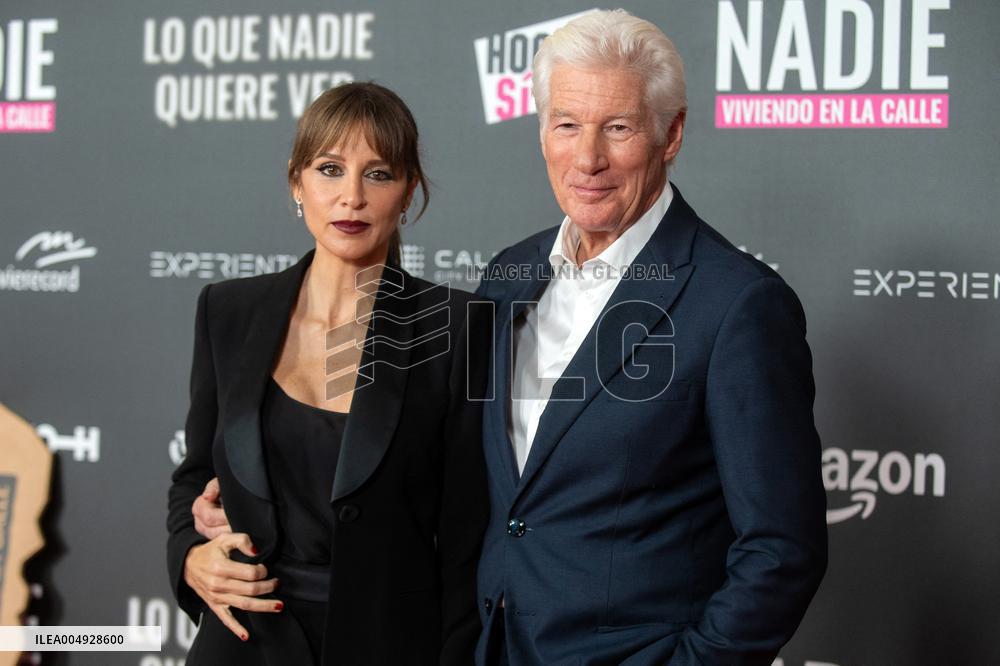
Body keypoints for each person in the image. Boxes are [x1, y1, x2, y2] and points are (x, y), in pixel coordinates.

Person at [472, 10, 827, 665]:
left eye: (618, 127)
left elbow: (781, 547)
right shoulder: (507, 275)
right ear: (542, 130)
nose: (588, 158)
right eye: (567, 124)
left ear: (672, 134)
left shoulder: (738, 304)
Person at [166, 82, 488, 666]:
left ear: (409, 191)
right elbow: (194, 479)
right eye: (330, 169)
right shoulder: (228, 312)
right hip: (243, 642)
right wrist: (189, 556)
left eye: (378, 174)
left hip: (389, 645)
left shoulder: (457, 327)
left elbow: (468, 535)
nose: (352, 197)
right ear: (297, 182)